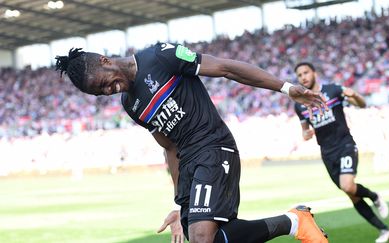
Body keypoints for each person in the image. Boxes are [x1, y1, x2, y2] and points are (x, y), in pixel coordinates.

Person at [55, 44, 329, 243]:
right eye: (101, 93)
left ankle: (293, 222)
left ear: (105, 60)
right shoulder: (131, 104)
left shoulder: (160, 56)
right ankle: (295, 221)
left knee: (200, 238)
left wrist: (285, 87)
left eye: (105, 83)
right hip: (189, 163)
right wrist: (180, 202)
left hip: (213, 146)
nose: (109, 90)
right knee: (209, 239)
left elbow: (226, 68)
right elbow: (169, 148)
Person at [293, 62, 389, 243]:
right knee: (352, 194)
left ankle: (375, 196)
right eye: (299, 75)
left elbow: (362, 104)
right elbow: (305, 132)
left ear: (314, 73)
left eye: (306, 72)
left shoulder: (333, 90)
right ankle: (384, 230)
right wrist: (306, 134)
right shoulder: (300, 104)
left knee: (348, 185)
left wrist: (355, 94)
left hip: (345, 144)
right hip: (327, 153)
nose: (303, 77)